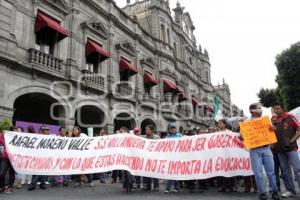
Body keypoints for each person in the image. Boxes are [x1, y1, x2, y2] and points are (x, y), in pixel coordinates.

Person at [242, 103, 280, 200]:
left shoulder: (265, 120)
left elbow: (273, 130)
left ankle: (274, 191)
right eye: (259, 108)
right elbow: (241, 137)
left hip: (266, 149)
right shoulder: (246, 123)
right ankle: (262, 193)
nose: (261, 110)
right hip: (254, 150)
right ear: (253, 111)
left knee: (271, 172)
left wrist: (273, 128)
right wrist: (242, 136)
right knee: (258, 173)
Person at [272, 102, 300, 198]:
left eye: (277, 108)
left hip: (291, 148)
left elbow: (299, 130)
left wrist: (292, 141)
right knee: (285, 171)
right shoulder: (275, 121)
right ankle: (290, 190)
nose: (276, 110)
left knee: (297, 169)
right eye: (274, 109)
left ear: (282, 109)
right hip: (279, 150)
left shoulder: (290, 117)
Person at [217, 119, 236, 193]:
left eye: (220, 123)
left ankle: (231, 186)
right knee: (221, 171)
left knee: (230, 170)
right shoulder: (216, 134)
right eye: (218, 123)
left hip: (229, 154)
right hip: (220, 154)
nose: (219, 125)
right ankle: (222, 186)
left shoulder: (230, 133)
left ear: (225, 124)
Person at [28, 126, 50, 191]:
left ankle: (43, 184)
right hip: (37, 157)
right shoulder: (36, 137)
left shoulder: (50, 138)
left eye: (47, 130)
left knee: (44, 171)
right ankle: (33, 185)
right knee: (36, 171)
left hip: (45, 156)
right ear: (41, 131)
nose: (47, 131)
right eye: (45, 130)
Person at [164, 122, 182, 194]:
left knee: (175, 173)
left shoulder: (179, 135)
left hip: (177, 157)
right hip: (170, 157)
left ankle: (175, 187)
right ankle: (169, 188)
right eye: (171, 128)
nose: (172, 130)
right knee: (170, 173)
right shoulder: (167, 137)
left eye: (173, 128)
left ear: (175, 129)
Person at [142, 125, 160, 191]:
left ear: (151, 130)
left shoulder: (157, 138)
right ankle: (148, 186)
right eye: (145, 129)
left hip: (154, 158)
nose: (145, 131)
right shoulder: (143, 137)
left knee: (154, 172)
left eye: (147, 129)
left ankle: (156, 186)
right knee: (147, 172)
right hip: (146, 158)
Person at [0, 127, 16, 194]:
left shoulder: (19, 138)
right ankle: (2, 186)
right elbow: (0, 141)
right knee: (1, 173)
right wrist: (2, 134)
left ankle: (10, 187)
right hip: (5, 157)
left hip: (14, 158)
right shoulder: (5, 136)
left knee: (12, 173)